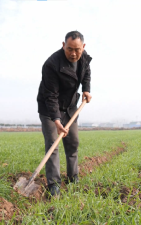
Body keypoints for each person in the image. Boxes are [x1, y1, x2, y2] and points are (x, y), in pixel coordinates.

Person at [36, 31, 92, 197]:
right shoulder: (51, 65)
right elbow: (50, 96)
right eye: (69, 49)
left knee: (72, 142)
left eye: (77, 49)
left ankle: (73, 176)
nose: (73, 53)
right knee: (53, 144)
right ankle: (54, 184)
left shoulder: (84, 58)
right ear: (63, 45)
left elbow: (86, 72)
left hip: (70, 107)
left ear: (83, 47)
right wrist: (57, 120)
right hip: (49, 109)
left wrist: (86, 90)